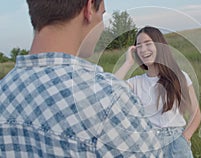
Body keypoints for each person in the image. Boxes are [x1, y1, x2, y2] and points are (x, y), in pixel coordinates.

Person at [0, 1, 178, 157]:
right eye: (103, 14)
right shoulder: (109, 98)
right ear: (89, 8)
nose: (103, 25)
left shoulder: (4, 91)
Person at [115, 26, 201, 157]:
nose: (143, 50)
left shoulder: (179, 76)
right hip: (148, 145)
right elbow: (110, 90)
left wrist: (184, 139)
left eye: (148, 43)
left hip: (176, 143)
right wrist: (128, 63)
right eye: (139, 46)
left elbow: (196, 114)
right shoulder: (136, 83)